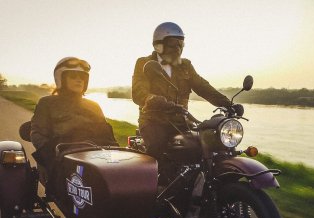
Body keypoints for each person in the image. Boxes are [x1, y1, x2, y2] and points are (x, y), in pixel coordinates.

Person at [132, 22, 233, 159]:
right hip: (154, 121)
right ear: (159, 44)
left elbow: (202, 86)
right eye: (174, 43)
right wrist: (152, 99)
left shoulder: (185, 65)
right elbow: (139, 92)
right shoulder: (144, 63)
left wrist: (227, 104)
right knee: (156, 147)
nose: (178, 48)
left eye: (181, 44)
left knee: (205, 145)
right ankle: (153, 179)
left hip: (181, 121)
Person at [31, 57, 118, 184]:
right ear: (61, 78)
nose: (79, 80)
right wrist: (52, 156)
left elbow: (108, 137)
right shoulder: (47, 103)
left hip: (98, 159)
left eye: (82, 77)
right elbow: (37, 133)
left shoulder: (94, 105)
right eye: (73, 76)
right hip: (63, 160)